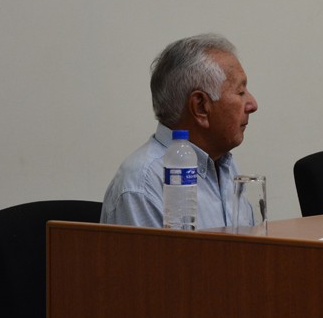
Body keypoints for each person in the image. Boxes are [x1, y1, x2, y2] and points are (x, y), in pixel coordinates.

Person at [102, 33, 259, 228]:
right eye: (240, 92)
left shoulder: (224, 165)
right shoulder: (142, 186)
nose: (253, 104)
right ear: (200, 107)